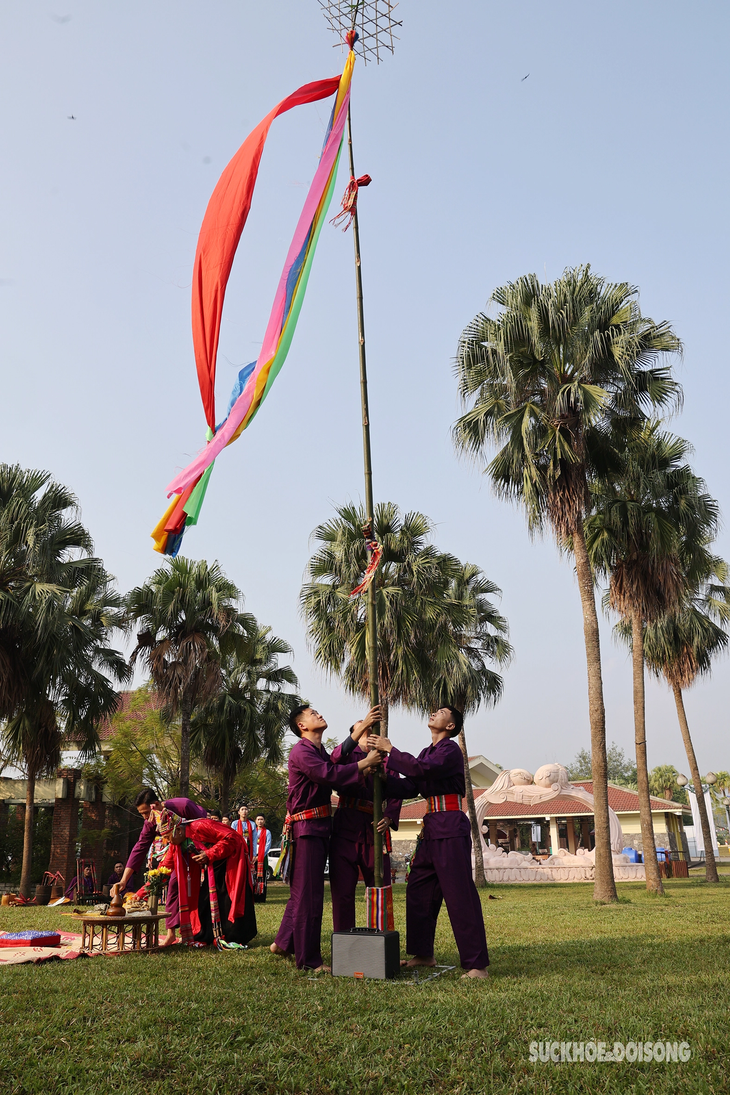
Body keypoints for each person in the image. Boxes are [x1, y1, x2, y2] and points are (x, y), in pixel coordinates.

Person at [367, 706, 490, 980]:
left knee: (459, 896)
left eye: (442, 712)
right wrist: (383, 778)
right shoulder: (426, 752)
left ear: (450, 726)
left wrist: (391, 750)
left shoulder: (449, 750)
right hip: (432, 828)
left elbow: (422, 770)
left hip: (450, 825)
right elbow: (411, 786)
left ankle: (477, 965)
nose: (435, 713)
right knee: (419, 889)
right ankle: (423, 954)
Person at [270, 705, 381, 973]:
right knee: (309, 895)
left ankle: (284, 943)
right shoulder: (301, 750)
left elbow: (332, 761)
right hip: (307, 828)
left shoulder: (316, 750)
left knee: (304, 892)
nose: (318, 714)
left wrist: (361, 729)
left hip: (318, 827)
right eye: (312, 714)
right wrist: (364, 763)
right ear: (302, 726)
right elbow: (327, 774)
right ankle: (309, 960)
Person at [329, 709, 401, 932]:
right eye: (362, 729)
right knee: (342, 893)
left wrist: (389, 815)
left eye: (371, 729)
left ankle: (382, 940)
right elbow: (333, 764)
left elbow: (397, 791)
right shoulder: (346, 757)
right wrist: (362, 769)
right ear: (354, 733)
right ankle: (343, 941)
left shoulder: (387, 760)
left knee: (380, 888)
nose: (367, 731)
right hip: (345, 829)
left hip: (374, 830)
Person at [116, 788, 207, 946]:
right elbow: (140, 847)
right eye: (142, 814)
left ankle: (198, 930)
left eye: (146, 812)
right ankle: (172, 933)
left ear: (156, 804)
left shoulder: (183, 805)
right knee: (172, 885)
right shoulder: (150, 822)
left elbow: (203, 826)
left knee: (190, 889)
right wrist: (124, 880)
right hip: (175, 852)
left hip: (198, 848)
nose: (145, 817)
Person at [156, 809, 257, 947]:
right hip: (214, 864)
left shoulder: (200, 826)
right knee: (205, 900)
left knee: (229, 898)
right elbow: (165, 868)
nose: (166, 841)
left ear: (178, 830)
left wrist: (209, 854)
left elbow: (233, 838)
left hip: (232, 860)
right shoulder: (176, 845)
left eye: (167, 837)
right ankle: (208, 935)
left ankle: (235, 936)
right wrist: (144, 891)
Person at [252, 815, 272, 903]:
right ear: (255, 821)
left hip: (262, 858)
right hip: (252, 857)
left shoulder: (267, 832)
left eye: (262, 819)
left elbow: (267, 845)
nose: (260, 821)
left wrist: (260, 856)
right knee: (253, 876)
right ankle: (253, 896)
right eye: (258, 819)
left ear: (264, 821)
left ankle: (261, 897)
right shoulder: (252, 831)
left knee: (262, 877)